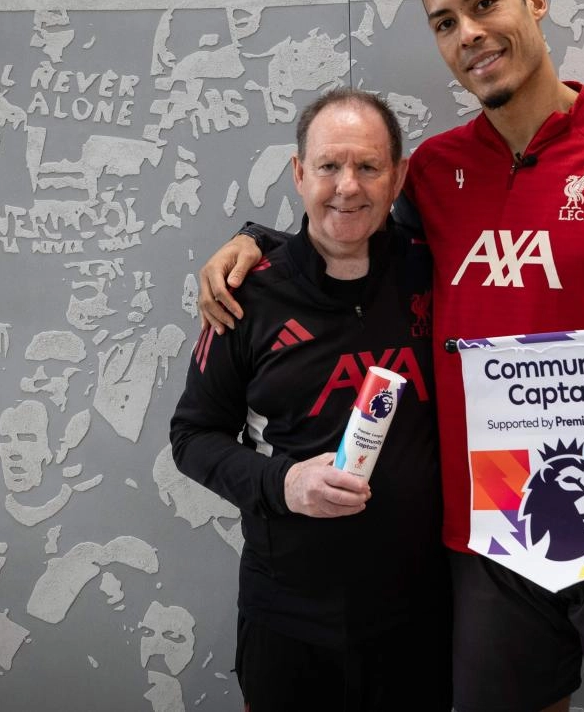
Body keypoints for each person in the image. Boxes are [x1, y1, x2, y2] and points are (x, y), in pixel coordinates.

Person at [199, 0, 584, 712]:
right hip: (489, 531)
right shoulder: (433, 172)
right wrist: (259, 241)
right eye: (444, 23)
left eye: (483, 4)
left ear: (532, 2)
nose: (468, 33)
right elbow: (349, 233)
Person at [168, 89, 449, 712]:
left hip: (421, 618)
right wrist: (284, 483)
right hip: (287, 618)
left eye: (369, 167)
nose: (348, 187)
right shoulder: (245, 296)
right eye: (328, 166)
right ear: (299, 173)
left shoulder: (438, 275)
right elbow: (192, 437)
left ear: (398, 176)